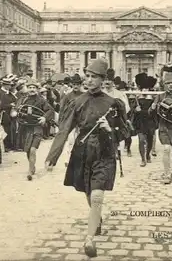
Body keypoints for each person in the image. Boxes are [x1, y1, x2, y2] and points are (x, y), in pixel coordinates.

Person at [45, 58, 125, 258]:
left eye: (93, 77)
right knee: (89, 192)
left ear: (103, 79)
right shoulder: (77, 102)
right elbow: (64, 129)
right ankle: (96, 219)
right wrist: (52, 156)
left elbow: (125, 131)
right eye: (87, 76)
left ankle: (89, 239)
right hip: (83, 151)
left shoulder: (114, 103)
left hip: (105, 152)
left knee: (97, 195)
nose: (88, 80)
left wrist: (110, 130)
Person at [16, 78, 54, 181]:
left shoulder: (41, 100)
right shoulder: (23, 99)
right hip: (25, 128)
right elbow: (17, 109)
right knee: (28, 150)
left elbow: (50, 110)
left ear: (37, 89)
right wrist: (17, 113)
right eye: (30, 87)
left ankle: (30, 171)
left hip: (37, 127)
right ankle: (32, 167)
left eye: (34, 87)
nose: (32, 89)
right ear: (27, 88)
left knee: (33, 149)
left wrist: (44, 117)